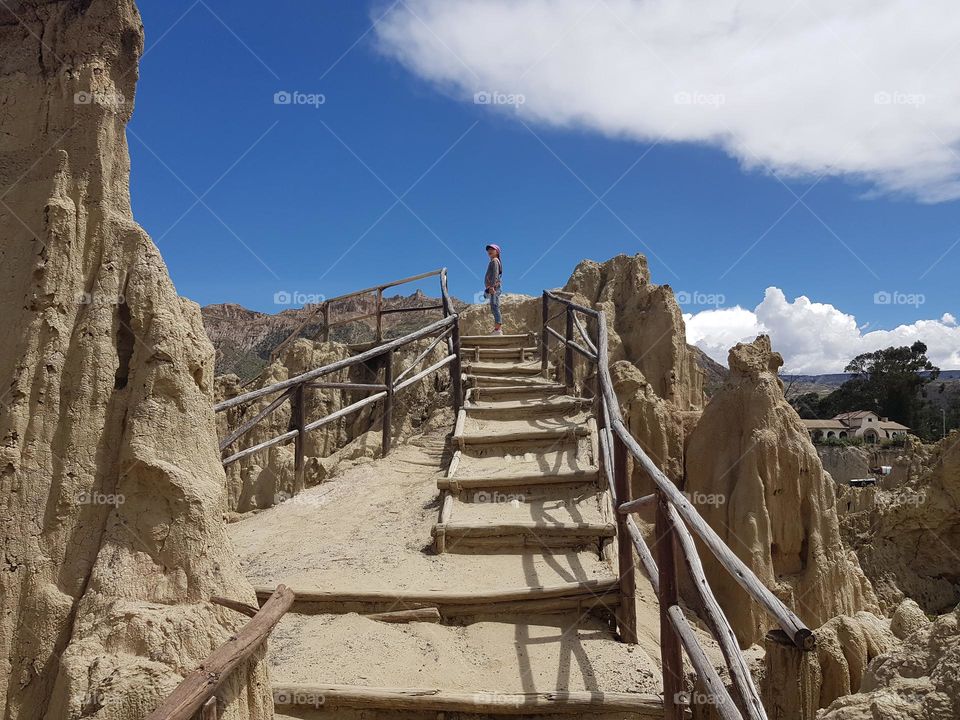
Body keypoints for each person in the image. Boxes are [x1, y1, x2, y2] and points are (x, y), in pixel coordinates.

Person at [483, 244, 503, 335]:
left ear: (497, 252)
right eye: (488, 250)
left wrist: (492, 287)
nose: (489, 251)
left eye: (492, 249)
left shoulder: (495, 261)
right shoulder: (493, 261)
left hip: (494, 287)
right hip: (493, 287)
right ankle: (497, 328)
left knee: (495, 306)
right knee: (493, 306)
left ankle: (498, 329)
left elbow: (495, 274)